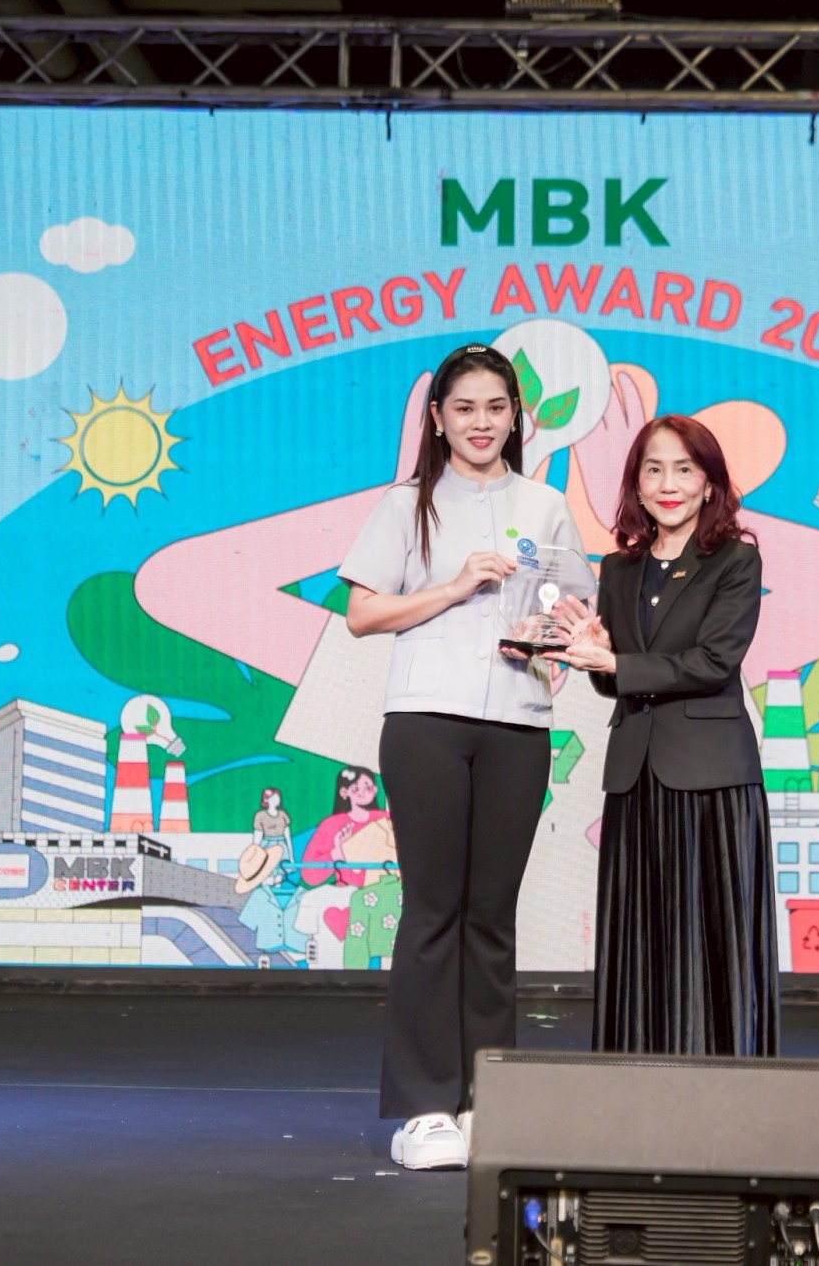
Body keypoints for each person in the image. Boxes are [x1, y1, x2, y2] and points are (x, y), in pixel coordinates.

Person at [338, 343, 582, 1171]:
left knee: (492, 918)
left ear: (518, 417)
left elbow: (569, 608)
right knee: (433, 910)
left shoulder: (546, 505)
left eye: (496, 408)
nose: (482, 422)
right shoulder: (406, 504)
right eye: (465, 408)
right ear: (438, 418)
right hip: (427, 721)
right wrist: (456, 586)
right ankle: (425, 1107)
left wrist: (553, 635)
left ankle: (487, 1101)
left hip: (519, 721)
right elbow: (363, 614)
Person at [546, 414, 779, 1057]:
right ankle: (635, 1076)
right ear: (636, 485)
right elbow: (619, 681)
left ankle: (725, 1081)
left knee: (714, 936)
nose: (668, 484)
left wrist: (616, 662)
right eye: (654, 470)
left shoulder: (735, 559)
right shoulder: (619, 569)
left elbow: (713, 663)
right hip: (635, 775)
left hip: (711, 778)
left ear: (710, 484)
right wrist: (596, 655)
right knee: (639, 937)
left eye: (684, 469)